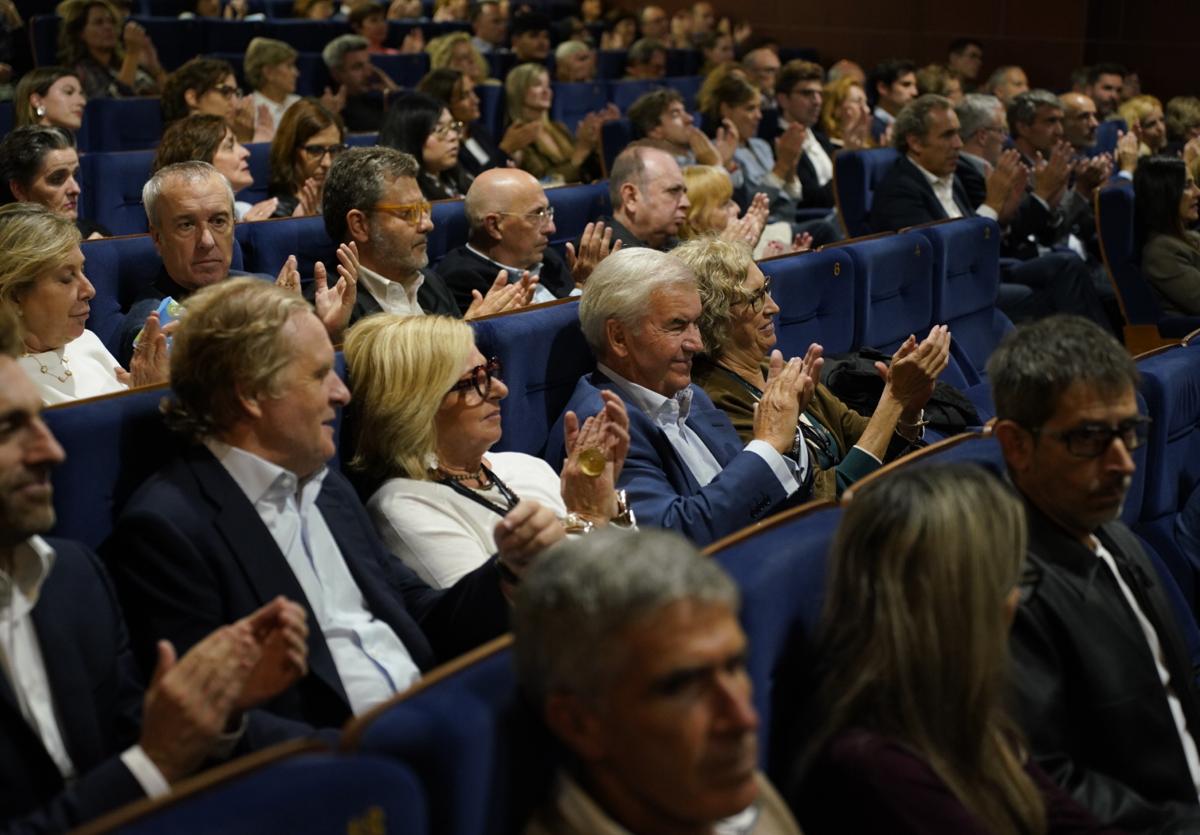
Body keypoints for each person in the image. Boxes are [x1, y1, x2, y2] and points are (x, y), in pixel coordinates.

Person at [103, 278, 558, 736]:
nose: (342, 395)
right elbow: (211, 725)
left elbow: (419, 614)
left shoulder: (328, 489)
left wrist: (508, 573)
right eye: (320, 375)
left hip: (430, 715)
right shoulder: (168, 530)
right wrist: (369, 755)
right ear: (250, 394)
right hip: (336, 766)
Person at [0, 304, 310, 831]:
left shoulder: (71, 576)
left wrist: (213, 716)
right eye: (9, 429)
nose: (52, 450)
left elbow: (126, 740)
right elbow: (142, 763)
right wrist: (155, 761)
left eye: (41, 420)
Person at [789, 464, 1122, 834]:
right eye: (1007, 581)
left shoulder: (959, 716)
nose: (1014, 600)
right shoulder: (874, 771)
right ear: (949, 607)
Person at [989, 314, 1200, 831]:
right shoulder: (1009, 595)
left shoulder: (1111, 532)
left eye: (1129, 432)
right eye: (1090, 438)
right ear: (1016, 444)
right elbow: (1050, 788)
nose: (1123, 462)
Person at [514, 528, 801, 834]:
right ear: (579, 724)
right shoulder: (709, 780)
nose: (744, 718)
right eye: (682, 685)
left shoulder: (728, 791)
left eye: (734, 666)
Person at [549, 247, 816, 546]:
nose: (698, 343)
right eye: (677, 326)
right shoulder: (602, 424)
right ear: (619, 337)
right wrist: (767, 444)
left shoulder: (693, 397)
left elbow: (757, 502)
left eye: (696, 323)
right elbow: (671, 539)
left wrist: (785, 440)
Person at [345, 314, 631, 588]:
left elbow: (633, 568)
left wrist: (608, 504)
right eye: (475, 381)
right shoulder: (404, 506)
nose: (500, 390)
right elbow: (506, 618)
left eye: (490, 372)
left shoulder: (524, 466)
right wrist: (587, 520)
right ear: (418, 403)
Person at [677, 236, 945, 499]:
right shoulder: (714, 400)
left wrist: (908, 410)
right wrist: (894, 398)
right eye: (755, 298)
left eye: (766, 289)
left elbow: (866, 437)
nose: (774, 307)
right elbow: (825, 495)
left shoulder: (777, 369)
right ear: (716, 316)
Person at [870, 94, 1111, 329]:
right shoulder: (900, 189)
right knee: (1043, 298)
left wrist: (1003, 216)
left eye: (957, 133)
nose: (959, 143)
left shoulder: (946, 176)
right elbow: (939, 256)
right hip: (948, 287)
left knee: (1066, 264)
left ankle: (1106, 357)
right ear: (915, 142)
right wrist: (993, 204)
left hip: (981, 271)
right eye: (948, 135)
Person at [120, 161, 356, 364]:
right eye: (186, 225)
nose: (207, 241)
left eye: (218, 221)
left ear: (234, 226)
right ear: (158, 237)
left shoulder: (264, 288)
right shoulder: (150, 327)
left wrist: (329, 333)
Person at [321, 146, 530, 322]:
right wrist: (466, 334)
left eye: (425, 210)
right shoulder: (332, 305)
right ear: (360, 225)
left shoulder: (431, 283)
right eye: (409, 213)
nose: (427, 225)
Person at [0, 204, 166, 403]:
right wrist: (150, 400)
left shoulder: (86, 342)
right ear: (15, 296)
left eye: (82, 271)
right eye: (66, 278)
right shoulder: (7, 385)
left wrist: (145, 391)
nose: (90, 290)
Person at [436, 167, 619, 312]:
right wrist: (583, 289)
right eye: (537, 214)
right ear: (494, 225)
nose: (551, 228)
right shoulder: (463, 280)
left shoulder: (547, 258)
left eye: (548, 212)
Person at [703, 71, 835, 244]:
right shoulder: (717, 151)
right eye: (750, 108)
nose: (759, 115)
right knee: (824, 230)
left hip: (786, 224)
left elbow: (791, 200)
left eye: (759, 108)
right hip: (750, 233)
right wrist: (781, 167)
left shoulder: (762, 145)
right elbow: (745, 208)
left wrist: (790, 171)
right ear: (726, 109)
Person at [502, 63, 615, 185]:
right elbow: (544, 183)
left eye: (548, 86)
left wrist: (596, 145)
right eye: (537, 85)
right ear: (518, 90)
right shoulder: (517, 136)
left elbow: (585, 172)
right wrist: (582, 149)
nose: (546, 91)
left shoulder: (559, 128)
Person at [153, 113, 277, 221]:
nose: (246, 152)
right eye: (229, 146)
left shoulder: (244, 210)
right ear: (199, 162)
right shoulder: (179, 228)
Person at [0, 125, 107, 239]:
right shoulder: (7, 250)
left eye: (75, 175)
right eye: (57, 179)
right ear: (20, 190)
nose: (76, 189)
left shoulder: (96, 235)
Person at [417, 67, 513, 177]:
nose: (476, 100)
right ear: (444, 103)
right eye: (465, 96)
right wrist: (505, 149)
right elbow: (472, 183)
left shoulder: (478, 131)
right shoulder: (444, 145)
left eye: (473, 91)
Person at [56, 0, 163, 98]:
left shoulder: (122, 64)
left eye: (112, 22)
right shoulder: (81, 71)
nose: (108, 27)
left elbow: (170, 99)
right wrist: (132, 54)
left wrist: (155, 68)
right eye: (99, 22)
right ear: (80, 33)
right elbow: (113, 105)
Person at [594, 143, 691, 251]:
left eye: (684, 192)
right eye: (673, 191)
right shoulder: (598, 255)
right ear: (631, 197)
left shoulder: (672, 245)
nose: (686, 203)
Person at [1136, 155, 1200, 316]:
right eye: (1187, 186)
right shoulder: (1161, 252)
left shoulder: (1188, 237)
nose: (1197, 192)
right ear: (1165, 195)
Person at [380, 91, 472, 200]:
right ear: (412, 137)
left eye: (452, 126)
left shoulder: (455, 175)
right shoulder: (406, 195)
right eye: (440, 130)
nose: (453, 136)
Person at [772, 60, 837, 212]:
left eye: (819, 94)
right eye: (807, 93)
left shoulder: (821, 138)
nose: (817, 101)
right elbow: (811, 199)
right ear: (783, 100)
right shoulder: (777, 142)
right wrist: (846, 175)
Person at [160, 55, 270, 145]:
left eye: (236, 94)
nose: (236, 104)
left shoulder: (231, 134)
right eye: (225, 92)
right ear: (192, 98)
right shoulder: (180, 146)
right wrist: (244, 139)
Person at [267, 97, 346, 218]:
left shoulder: (348, 199)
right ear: (291, 150)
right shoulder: (278, 212)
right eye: (315, 150)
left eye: (335, 150)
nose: (327, 163)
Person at [627, 88, 737, 174]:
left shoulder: (695, 154)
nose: (690, 119)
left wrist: (727, 163)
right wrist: (715, 164)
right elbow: (699, 198)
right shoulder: (654, 166)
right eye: (675, 114)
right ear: (654, 130)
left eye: (684, 111)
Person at [321, 34, 398, 132]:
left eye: (368, 63)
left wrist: (394, 95)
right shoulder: (331, 111)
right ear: (336, 74)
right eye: (357, 67)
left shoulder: (380, 100)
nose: (368, 73)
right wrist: (330, 117)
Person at [244, 37, 300, 139]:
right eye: (289, 66)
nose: (296, 73)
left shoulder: (299, 103)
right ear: (269, 72)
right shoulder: (248, 112)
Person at [13, 66, 86, 133]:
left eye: (81, 94)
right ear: (37, 101)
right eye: (68, 92)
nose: (82, 102)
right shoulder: (24, 146)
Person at [867, 58, 917, 141]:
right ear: (883, 88)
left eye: (915, 85)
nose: (915, 92)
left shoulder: (907, 126)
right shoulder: (870, 127)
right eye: (906, 85)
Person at [820, 75, 873, 150]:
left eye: (865, 103)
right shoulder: (824, 146)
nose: (867, 110)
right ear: (836, 109)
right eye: (858, 102)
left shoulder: (869, 143)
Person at [426, 31, 492, 87]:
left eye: (472, 55)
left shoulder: (492, 86)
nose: (472, 60)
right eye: (464, 57)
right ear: (447, 65)